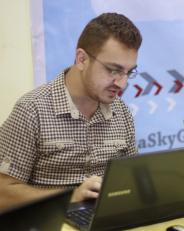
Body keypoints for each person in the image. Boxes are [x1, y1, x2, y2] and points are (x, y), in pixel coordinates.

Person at [0, 12, 142, 209]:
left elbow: (134, 179)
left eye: (129, 72)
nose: (122, 83)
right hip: (51, 221)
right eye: (113, 70)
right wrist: (69, 197)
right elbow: (3, 192)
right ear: (82, 59)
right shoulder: (32, 110)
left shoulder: (121, 111)